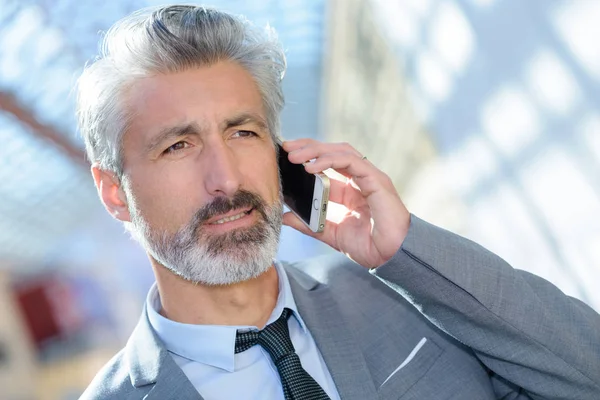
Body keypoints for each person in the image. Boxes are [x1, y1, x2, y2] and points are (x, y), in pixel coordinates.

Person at [77, 5, 600, 400]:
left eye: (243, 132)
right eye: (178, 146)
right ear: (114, 193)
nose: (226, 178)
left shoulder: (412, 297)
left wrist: (407, 251)